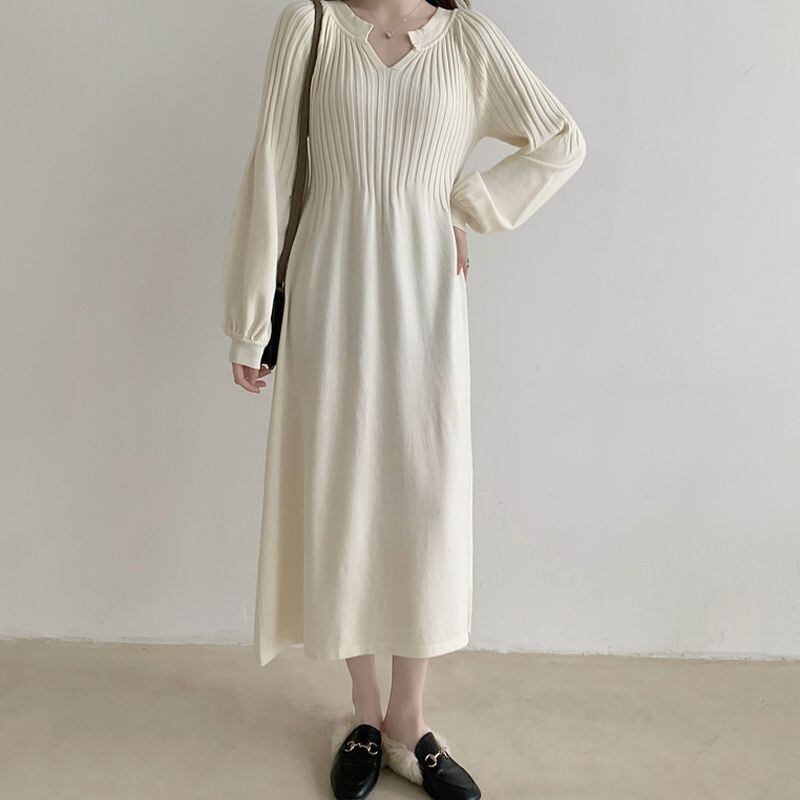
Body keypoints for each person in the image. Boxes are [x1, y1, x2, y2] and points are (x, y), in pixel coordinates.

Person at [219, 1, 586, 797]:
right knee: (342, 488)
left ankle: (408, 720)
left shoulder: (470, 40)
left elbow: (562, 139)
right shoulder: (313, 25)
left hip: (426, 292)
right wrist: (252, 321)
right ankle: (362, 710)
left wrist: (469, 204)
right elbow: (273, 167)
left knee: (426, 492)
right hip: (328, 286)